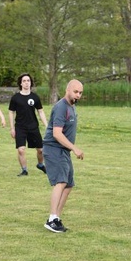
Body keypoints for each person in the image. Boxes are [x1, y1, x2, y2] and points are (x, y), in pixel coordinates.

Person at [42, 80, 84, 233]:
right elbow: (56, 133)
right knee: (61, 181)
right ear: (67, 90)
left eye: (80, 92)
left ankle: (56, 218)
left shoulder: (72, 106)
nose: (78, 95)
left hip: (63, 151)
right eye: (75, 92)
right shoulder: (61, 107)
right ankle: (52, 219)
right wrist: (74, 148)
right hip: (54, 148)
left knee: (69, 184)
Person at [8, 73, 48, 176]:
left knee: (40, 150)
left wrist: (47, 125)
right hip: (20, 127)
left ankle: (40, 164)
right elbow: (11, 112)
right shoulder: (15, 98)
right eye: (24, 81)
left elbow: (40, 111)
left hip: (33, 127)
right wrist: (12, 128)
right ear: (21, 83)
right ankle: (24, 170)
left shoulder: (35, 97)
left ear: (31, 83)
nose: (26, 83)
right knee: (21, 150)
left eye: (28, 81)